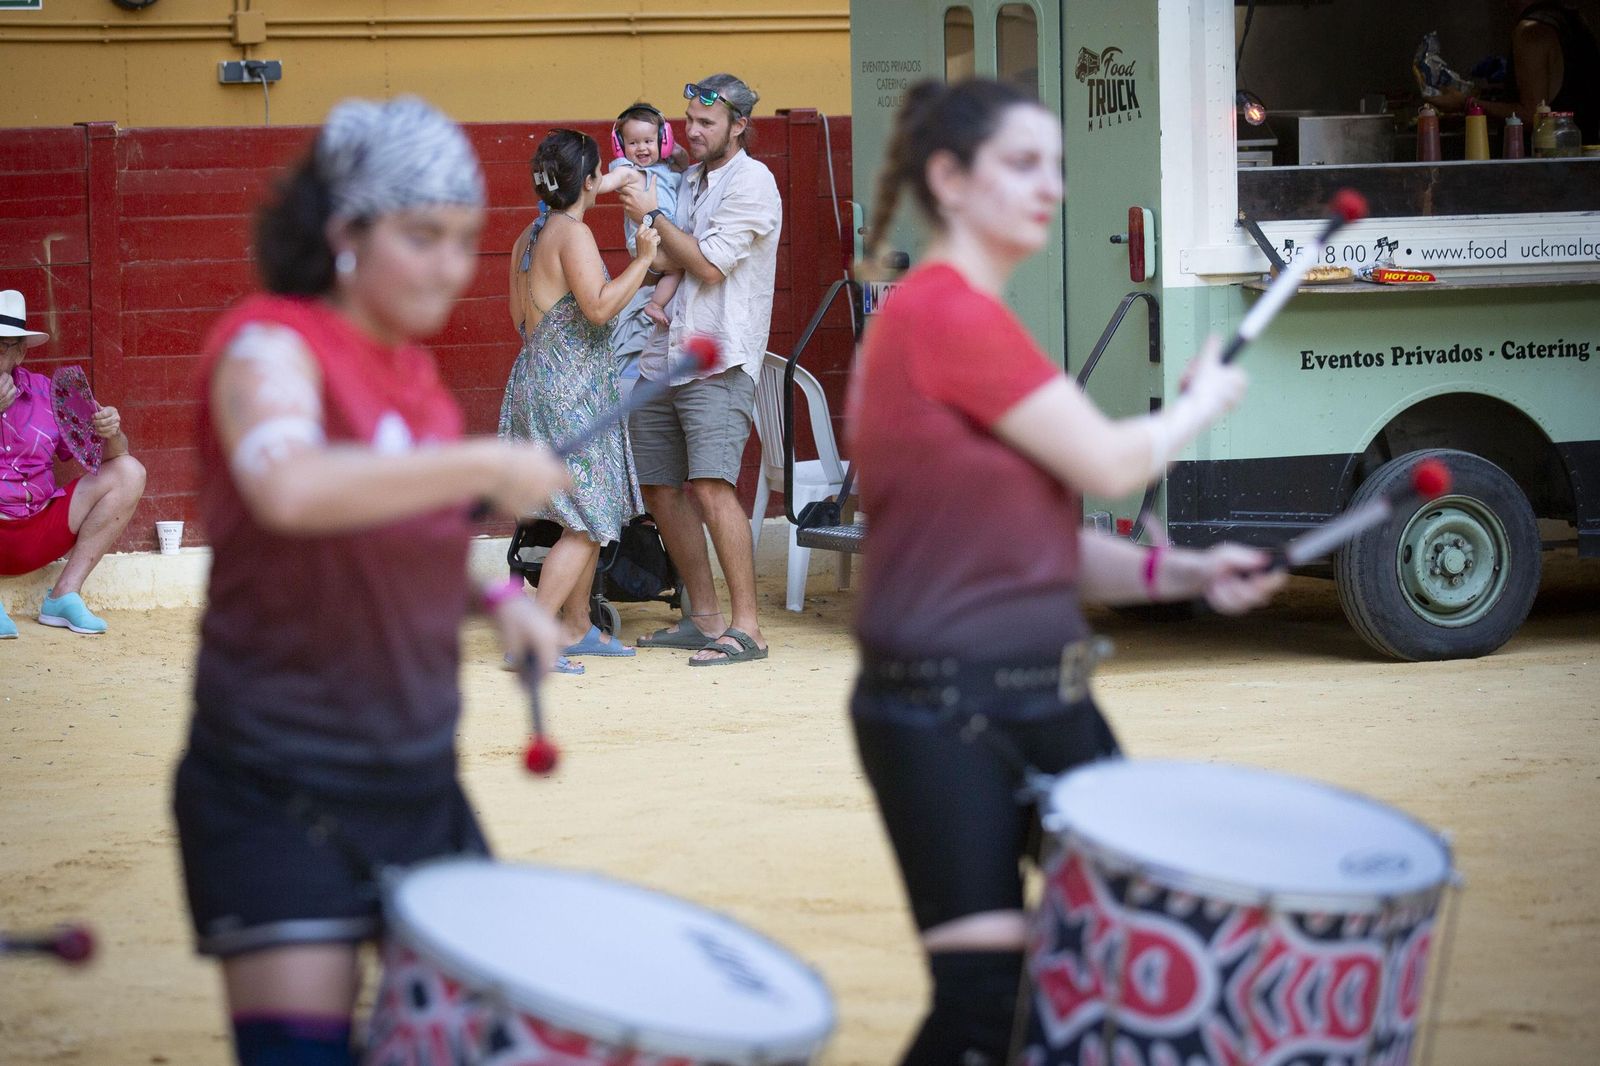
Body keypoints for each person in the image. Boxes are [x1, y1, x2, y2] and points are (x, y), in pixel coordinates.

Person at [846, 79, 1286, 1066]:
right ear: (949, 181)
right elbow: (1112, 465)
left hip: (1042, 696)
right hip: (940, 710)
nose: (1050, 185)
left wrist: (1185, 567)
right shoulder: (942, 317)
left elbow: (1038, 552)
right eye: (1020, 163)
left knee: (1144, 945)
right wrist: (1196, 405)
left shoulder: (968, 321)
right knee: (982, 1001)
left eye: (1056, 165)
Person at [170, 96, 569, 1066]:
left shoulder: (416, 378)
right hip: (277, 779)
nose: (447, 266)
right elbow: (291, 486)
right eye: (420, 235)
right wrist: (476, 465)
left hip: (416, 776)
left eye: (464, 241)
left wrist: (500, 599)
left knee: (477, 1046)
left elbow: (408, 535)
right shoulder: (270, 345)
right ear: (344, 231)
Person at [618, 73, 782, 666]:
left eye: (706, 123)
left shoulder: (753, 182)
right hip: (666, 355)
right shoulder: (689, 179)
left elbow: (709, 265)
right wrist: (649, 225)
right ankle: (704, 617)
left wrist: (655, 214)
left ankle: (748, 629)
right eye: (688, 121)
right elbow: (668, 256)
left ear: (739, 126)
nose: (692, 131)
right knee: (661, 487)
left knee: (712, 486)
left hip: (718, 355)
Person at [500, 128, 660, 667]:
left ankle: (576, 625)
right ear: (587, 180)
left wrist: (610, 179)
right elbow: (597, 308)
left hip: (535, 379)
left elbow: (519, 318)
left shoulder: (530, 234)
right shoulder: (573, 233)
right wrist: (641, 261)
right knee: (589, 518)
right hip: (572, 389)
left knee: (580, 512)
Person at [0, 289, 146, 637]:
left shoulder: (45, 393)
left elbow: (111, 455)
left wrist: (110, 431)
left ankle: (64, 596)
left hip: (39, 529)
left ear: (19, 353)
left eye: (2, 347)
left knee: (129, 472)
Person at [606, 103, 688, 381]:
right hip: (644, 238)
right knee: (681, 265)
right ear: (620, 147)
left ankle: (655, 304)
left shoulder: (665, 169)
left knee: (676, 270)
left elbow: (684, 163)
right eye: (632, 142)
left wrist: (674, 151)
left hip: (662, 237)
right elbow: (610, 180)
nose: (641, 148)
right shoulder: (629, 171)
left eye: (649, 141)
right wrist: (590, 186)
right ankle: (656, 303)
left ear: (663, 141)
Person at [1438, 1, 1600, 141]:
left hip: (1551, 168)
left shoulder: (1530, 31)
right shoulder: (1573, 20)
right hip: (1583, 164)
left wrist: (1466, 104)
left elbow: (1532, 117)